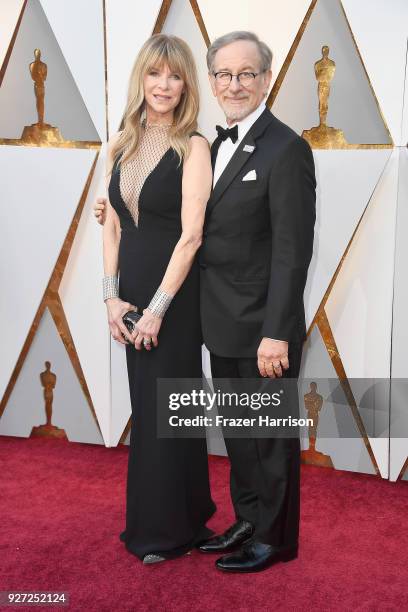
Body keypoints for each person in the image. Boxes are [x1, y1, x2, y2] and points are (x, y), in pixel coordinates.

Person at [96, 30, 316, 574]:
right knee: (242, 434)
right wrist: (118, 208)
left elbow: (293, 252)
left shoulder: (288, 148)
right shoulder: (216, 145)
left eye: (246, 74)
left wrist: (278, 330)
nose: (234, 84)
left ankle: (276, 538)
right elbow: (184, 215)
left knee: (270, 435)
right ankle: (246, 520)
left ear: (267, 79)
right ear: (212, 81)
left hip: (263, 321)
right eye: (224, 74)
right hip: (216, 315)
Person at [102, 33, 215, 564]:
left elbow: (191, 236)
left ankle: (165, 532)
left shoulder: (194, 146)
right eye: (154, 74)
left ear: (186, 82)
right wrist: (110, 298)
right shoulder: (122, 142)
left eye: (173, 75)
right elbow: (112, 226)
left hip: (173, 296)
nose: (162, 85)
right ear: (141, 79)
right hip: (132, 296)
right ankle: (189, 515)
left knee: (168, 408)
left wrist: (157, 310)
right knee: (150, 408)